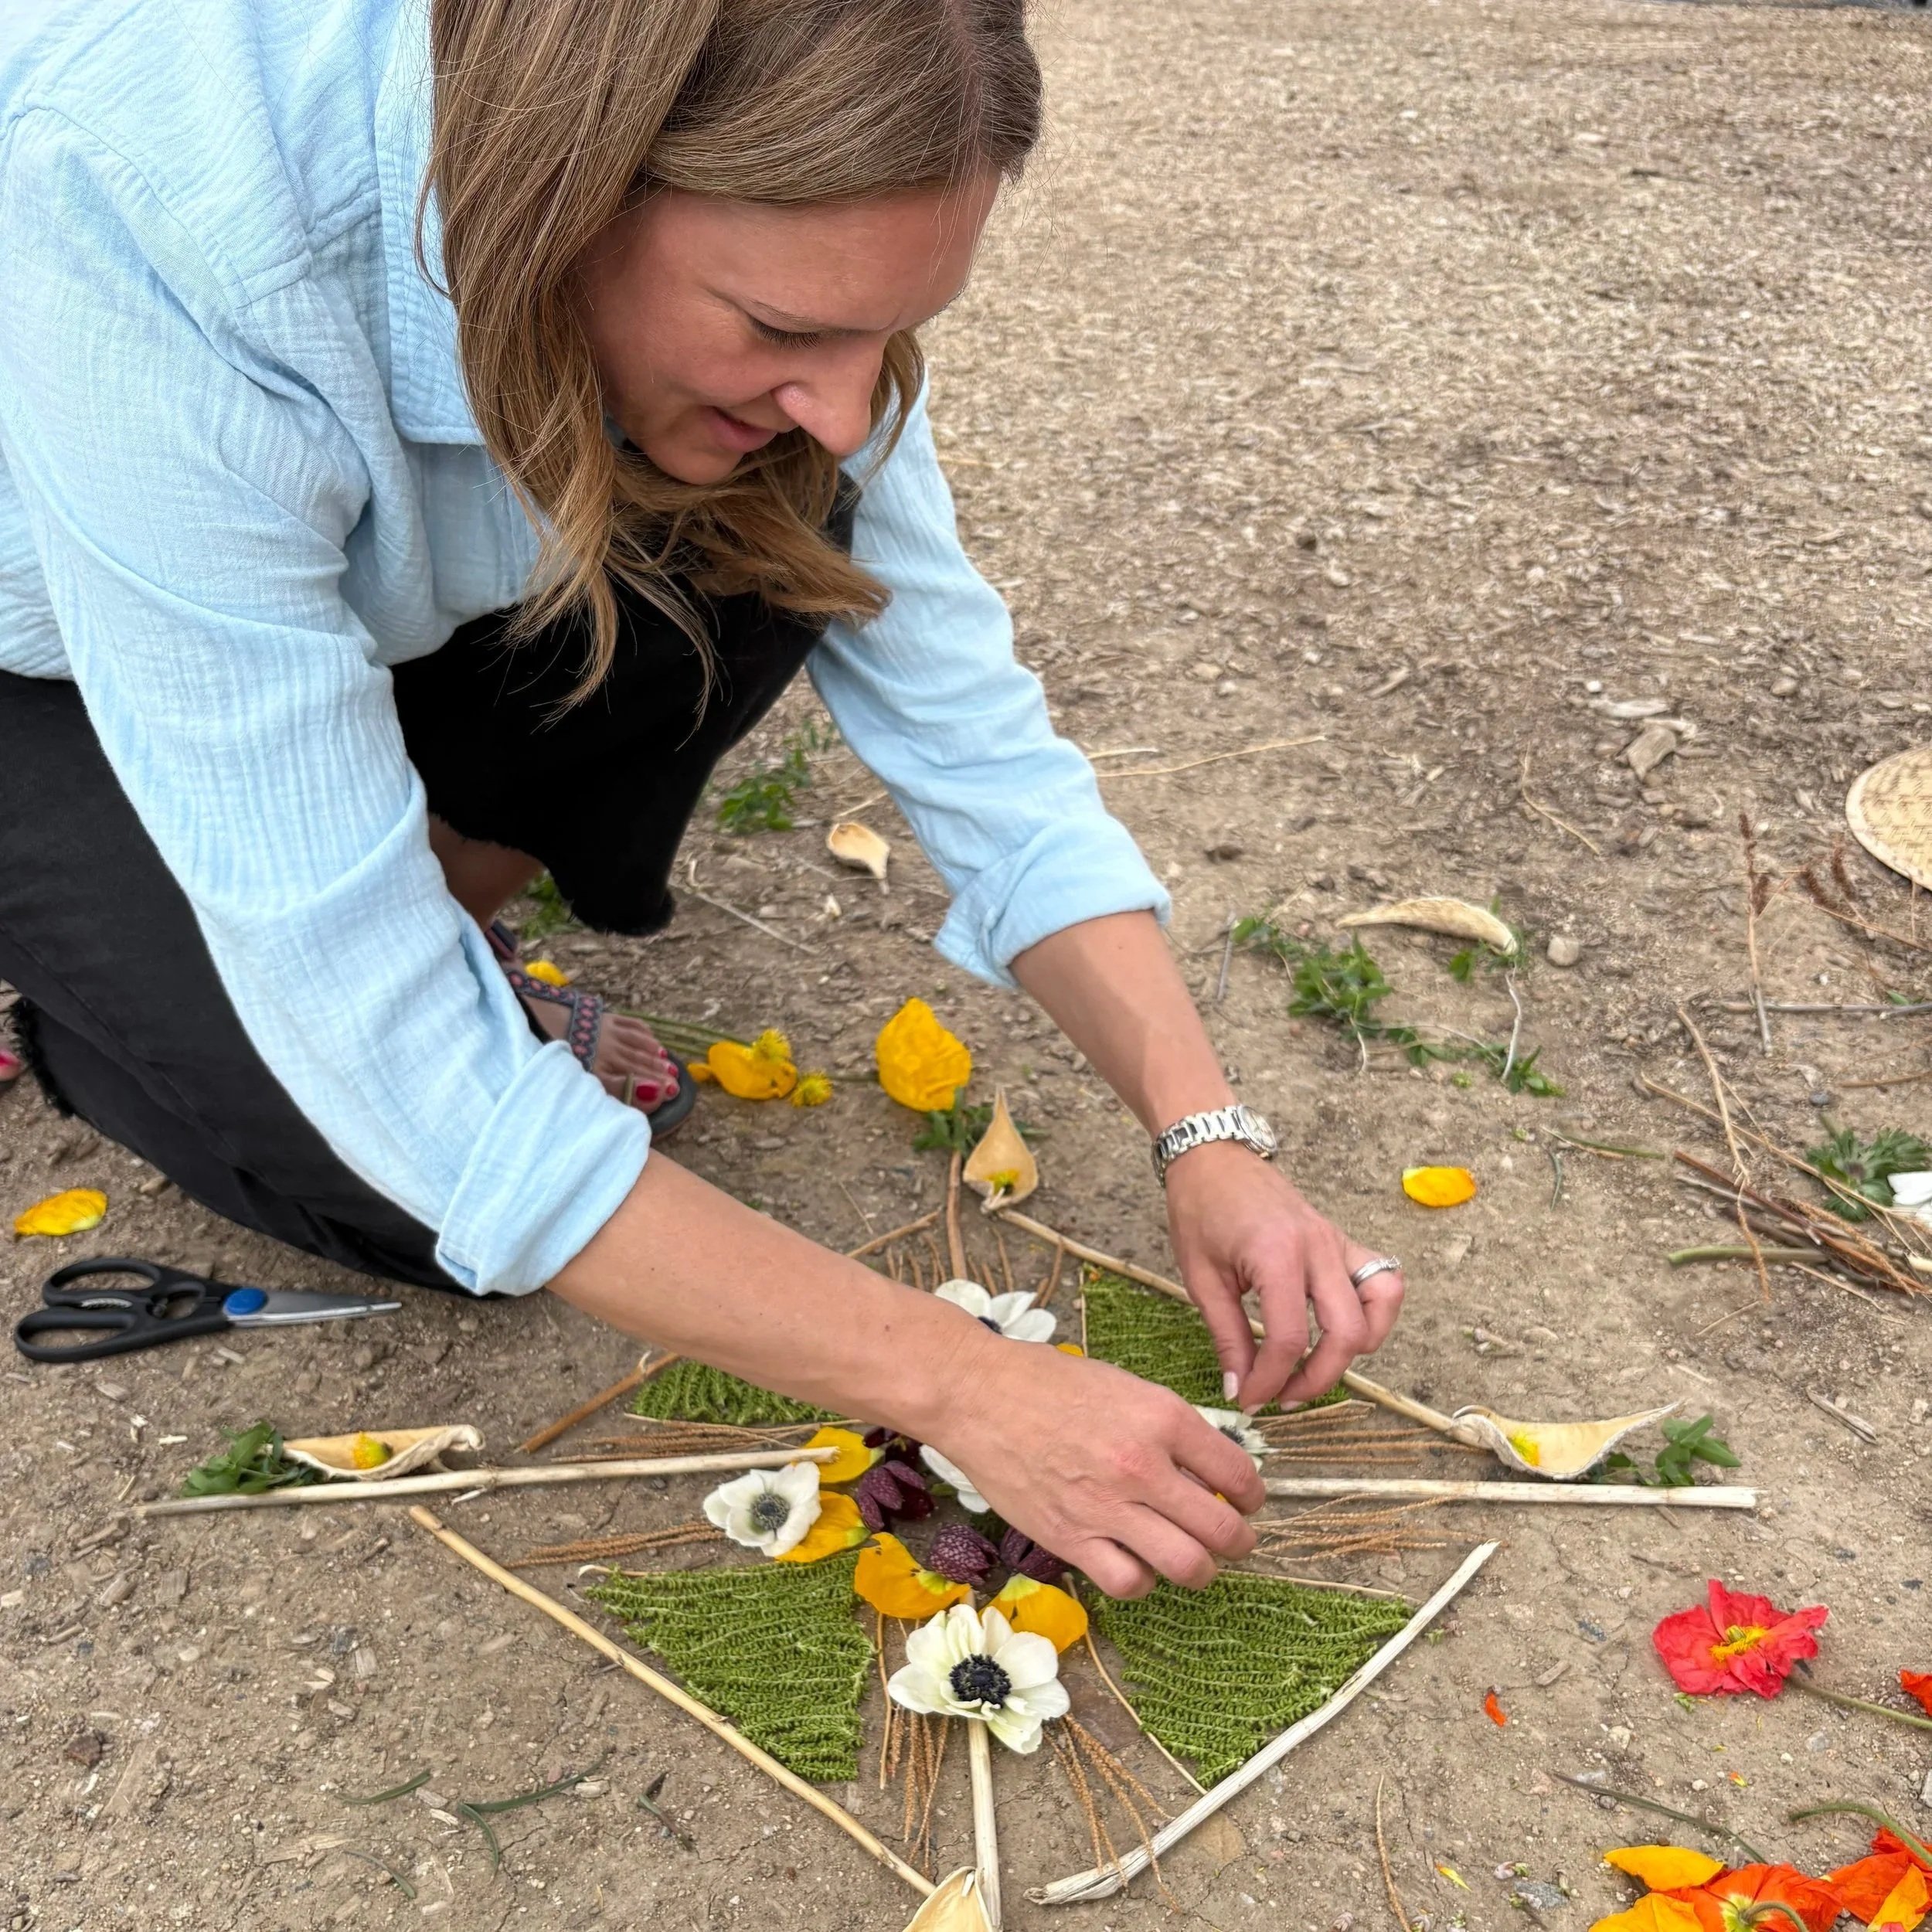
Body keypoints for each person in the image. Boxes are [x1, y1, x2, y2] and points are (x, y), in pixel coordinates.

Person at [0, 0, 1404, 1597]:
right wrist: (958, 1382)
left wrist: (1201, 1130)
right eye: (781, 327)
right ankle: (77, 985)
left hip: (300, 591)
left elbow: (973, 738)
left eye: (884, 335)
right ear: (562, 185)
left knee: (772, 531)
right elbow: (383, 1043)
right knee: (397, 1184)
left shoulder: (784, 321)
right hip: (31, 644)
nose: (845, 399)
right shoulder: (149, 205)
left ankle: (388, 908)